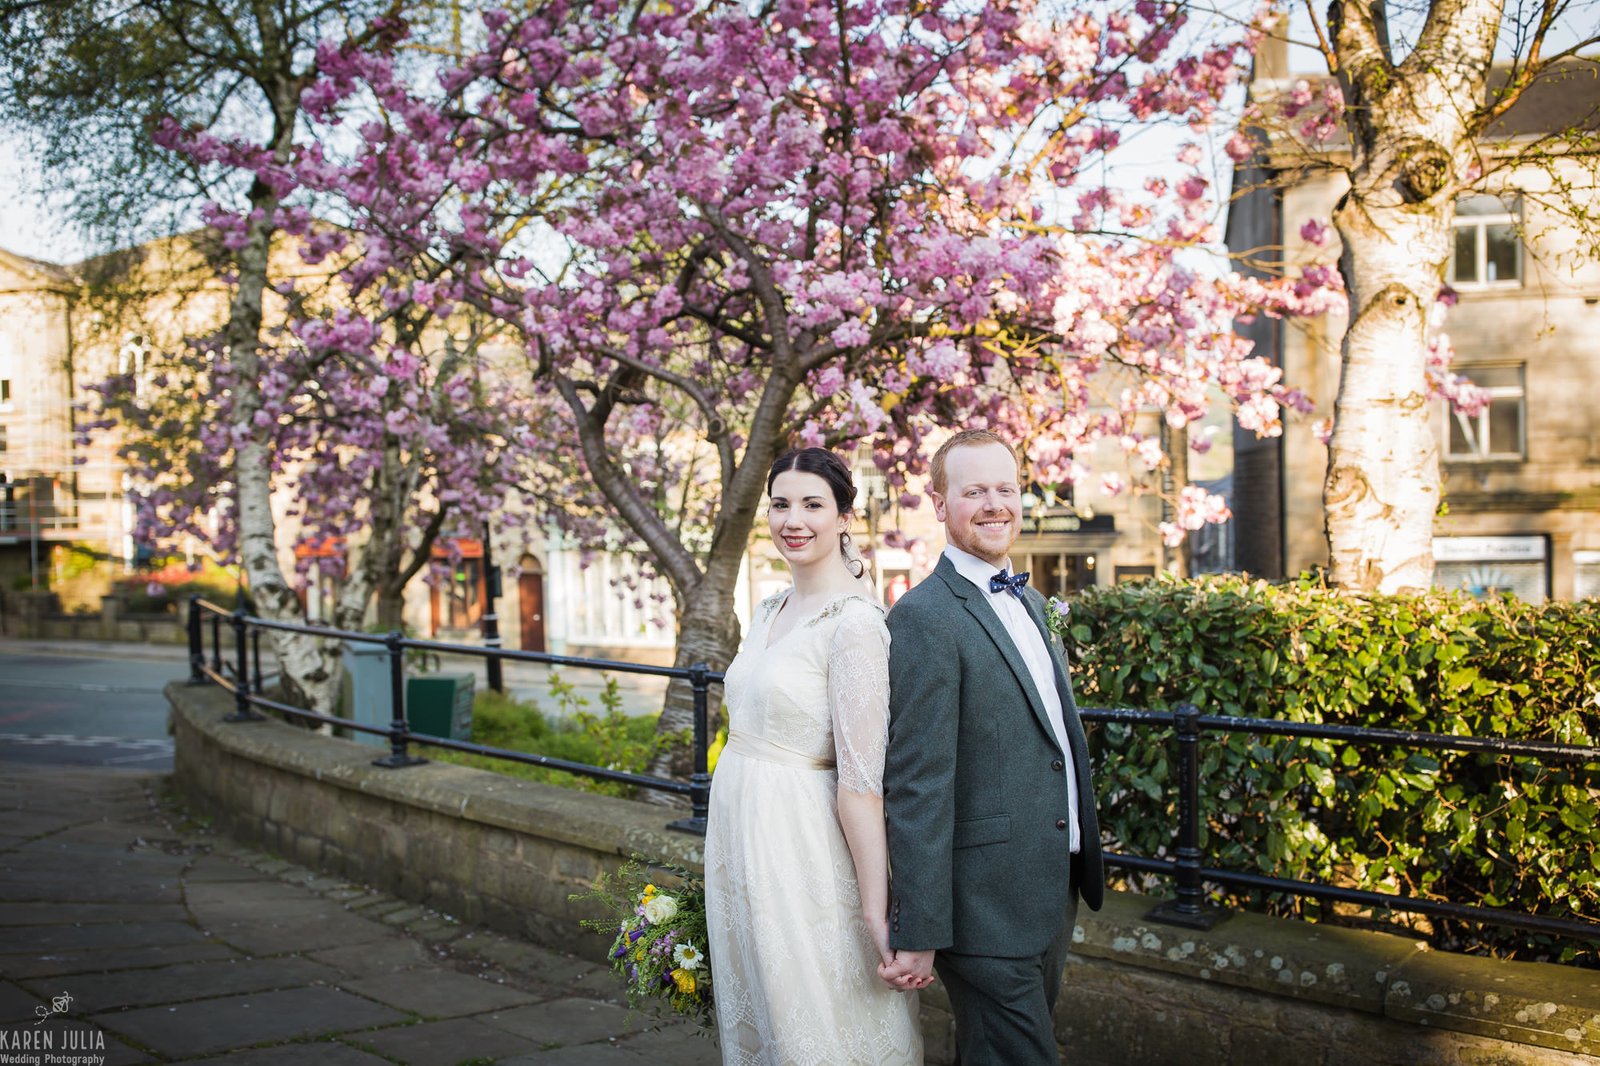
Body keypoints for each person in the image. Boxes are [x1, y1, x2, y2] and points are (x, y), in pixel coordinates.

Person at [880, 428, 1104, 1065]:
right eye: (973, 490)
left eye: (1005, 488)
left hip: (1048, 888)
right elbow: (917, 784)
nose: (994, 504)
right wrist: (920, 928)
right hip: (982, 907)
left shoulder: (1031, 601)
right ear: (940, 502)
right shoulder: (924, 617)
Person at [704, 447, 924, 1066]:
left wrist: (878, 909)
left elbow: (862, 781)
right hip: (739, 834)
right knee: (762, 1008)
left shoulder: (853, 626)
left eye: (811, 505)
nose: (792, 520)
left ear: (844, 516)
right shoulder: (771, 608)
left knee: (815, 1013)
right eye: (780, 505)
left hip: (799, 843)